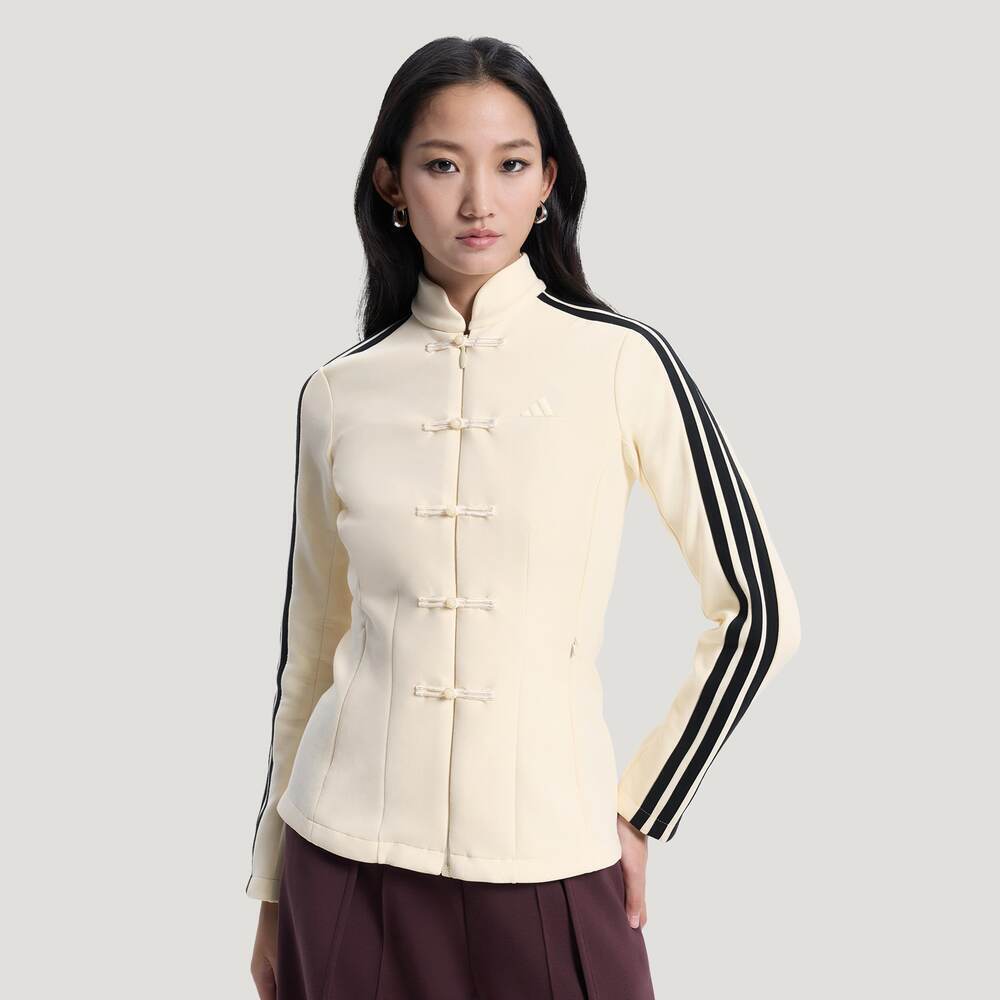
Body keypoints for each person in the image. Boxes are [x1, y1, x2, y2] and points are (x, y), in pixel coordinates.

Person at [247, 35, 801, 1000]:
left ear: (548, 181)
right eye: (441, 165)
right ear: (390, 182)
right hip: (340, 862)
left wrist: (644, 809)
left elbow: (760, 612)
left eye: (509, 166)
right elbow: (310, 655)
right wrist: (269, 887)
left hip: (551, 856)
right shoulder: (337, 393)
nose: (478, 202)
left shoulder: (624, 362)